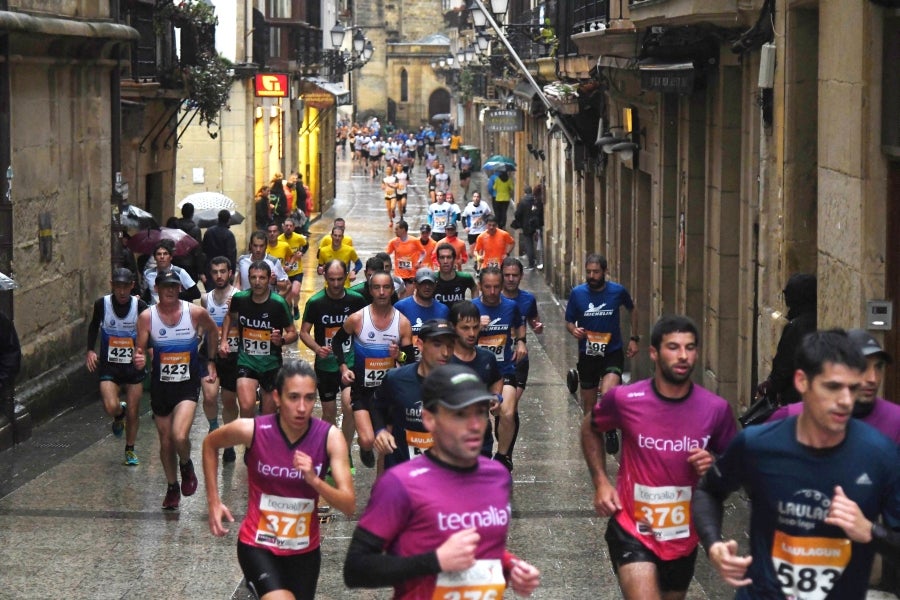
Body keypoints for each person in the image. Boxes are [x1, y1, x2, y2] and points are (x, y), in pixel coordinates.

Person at [692, 329, 900, 600]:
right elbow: (709, 490)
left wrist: (871, 531)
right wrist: (713, 544)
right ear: (802, 381)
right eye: (833, 387)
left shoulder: (880, 454)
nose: (846, 401)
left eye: (852, 388)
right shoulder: (756, 444)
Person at [344, 363, 542, 598]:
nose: (475, 425)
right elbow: (356, 569)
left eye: (480, 412)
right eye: (460, 414)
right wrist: (435, 560)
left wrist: (511, 567)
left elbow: (481, 542)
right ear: (430, 419)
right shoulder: (399, 483)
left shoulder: (497, 477)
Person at [581, 315, 738, 600]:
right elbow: (590, 427)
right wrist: (601, 482)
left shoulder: (715, 409)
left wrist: (716, 467)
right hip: (631, 528)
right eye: (673, 347)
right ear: (653, 353)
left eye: (690, 348)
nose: (683, 356)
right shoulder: (625, 400)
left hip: (682, 538)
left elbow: (737, 468)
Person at [203, 360, 355, 600]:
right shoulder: (252, 429)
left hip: (305, 551)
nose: (302, 407)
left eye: (308, 398)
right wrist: (213, 500)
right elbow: (210, 444)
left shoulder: (329, 437)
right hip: (258, 545)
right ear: (276, 397)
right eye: (293, 397)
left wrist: (315, 481)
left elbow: (349, 504)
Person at [134, 269, 220, 510]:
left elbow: (213, 331)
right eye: (165, 286)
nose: (170, 290)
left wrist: (210, 359)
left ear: (180, 288)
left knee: (179, 436)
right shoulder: (147, 317)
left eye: (174, 286)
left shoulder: (194, 313)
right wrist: (139, 358)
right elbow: (139, 348)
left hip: (187, 386)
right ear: (156, 290)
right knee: (165, 441)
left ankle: (185, 464)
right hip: (162, 388)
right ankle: (172, 487)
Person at [331, 271, 414, 469]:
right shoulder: (357, 319)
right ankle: (364, 447)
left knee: (386, 446)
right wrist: (343, 368)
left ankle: (381, 485)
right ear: (370, 291)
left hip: (389, 392)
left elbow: (410, 359)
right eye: (377, 288)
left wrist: (398, 356)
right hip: (363, 390)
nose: (382, 292)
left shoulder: (402, 323)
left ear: (392, 290)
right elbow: (337, 342)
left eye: (386, 287)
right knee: (368, 440)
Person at [766, 328, 900, 443]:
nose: (873, 378)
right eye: (862, 366)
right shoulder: (789, 417)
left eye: (879, 367)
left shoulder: (895, 420)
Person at [299, 259, 367, 452]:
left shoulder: (356, 300)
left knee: (350, 407)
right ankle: (329, 450)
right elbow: (303, 332)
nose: (336, 284)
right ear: (325, 277)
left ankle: (344, 452)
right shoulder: (315, 302)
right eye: (331, 280)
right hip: (325, 366)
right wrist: (317, 348)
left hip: (350, 363)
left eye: (339, 279)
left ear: (346, 276)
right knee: (329, 413)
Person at [371, 319, 457, 469]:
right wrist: (380, 431)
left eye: (450, 346)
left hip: (444, 474)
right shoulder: (396, 379)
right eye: (437, 345)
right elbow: (377, 406)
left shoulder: (461, 384)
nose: (445, 353)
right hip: (403, 472)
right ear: (420, 345)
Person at [85, 267, 148, 466]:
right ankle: (118, 414)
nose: (121, 292)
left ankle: (129, 449)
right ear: (112, 286)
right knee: (110, 406)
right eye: (117, 287)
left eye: (125, 287)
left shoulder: (140, 306)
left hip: (133, 369)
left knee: (134, 411)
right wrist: (90, 350)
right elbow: (94, 325)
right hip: (109, 367)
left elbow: (149, 332)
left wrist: (144, 353)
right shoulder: (102, 304)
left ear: (132, 286)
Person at [221, 260, 298, 418]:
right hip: (246, 361)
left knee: (268, 415)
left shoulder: (278, 303)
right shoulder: (240, 299)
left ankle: (261, 439)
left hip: (271, 364)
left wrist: (281, 340)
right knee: (247, 406)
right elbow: (230, 316)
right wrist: (224, 340)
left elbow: (293, 333)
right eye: (253, 277)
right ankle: (249, 441)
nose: (257, 282)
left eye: (262, 278)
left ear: (269, 279)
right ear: (248, 279)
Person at [565, 253, 639, 416]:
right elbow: (569, 321)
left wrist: (634, 338)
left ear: (605, 271)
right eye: (589, 272)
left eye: (596, 272)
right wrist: (574, 330)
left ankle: (610, 428)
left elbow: (632, 309)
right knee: (589, 407)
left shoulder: (617, 291)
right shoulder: (577, 293)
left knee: (607, 394)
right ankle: (593, 436)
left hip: (612, 352)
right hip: (588, 354)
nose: (592, 276)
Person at [473, 266, 526, 471]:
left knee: (508, 411)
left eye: (497, 287)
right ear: (480, 286)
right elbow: (458, 337)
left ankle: (503, 456)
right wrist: (476, 326)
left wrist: (522, 342)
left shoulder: (511, 306)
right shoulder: (471, 308)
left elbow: (519, 324)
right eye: (488, 287)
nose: (493, 292)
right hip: (477, 373)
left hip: (504, 369)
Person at [449, 300, 502, 457]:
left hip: (481, 441)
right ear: (453, 328)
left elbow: (496, 379)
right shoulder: (442, 360)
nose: (472, 333)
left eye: (475, 327)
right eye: (465, 328)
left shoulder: (488, 358)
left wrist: (496, 396)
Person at [200, 256, 240, 463]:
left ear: (230, 273)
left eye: (222, 271)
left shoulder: (239, 296)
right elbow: (205, 329)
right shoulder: (206, 299)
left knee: (229, 401)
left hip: (233, 357)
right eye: (215, 272)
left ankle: (230, 440)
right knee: (209, 397)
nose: (219, 276)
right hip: (211, 356)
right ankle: (215, 428)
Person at [757, 272, 817, 406]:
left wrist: (770, 386)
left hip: (795, 399)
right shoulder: (818, 321)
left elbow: (783, 367)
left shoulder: (796, 327)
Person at [500, 258, 543, 433]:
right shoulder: (493, 298)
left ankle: (506, 454)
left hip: (518, 360)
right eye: (507, 275)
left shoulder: (528, 299)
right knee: (500, 410)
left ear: (521, 276)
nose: (511, 279)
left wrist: (537, 326)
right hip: (495, 360)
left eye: (514, 275)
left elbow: (533, 320)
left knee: (510, 408)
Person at [394, 268, 451, 362]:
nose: (427, 287)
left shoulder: (443, 310)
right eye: (423, 283)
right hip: (407, 363)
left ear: (435, 284)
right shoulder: (401, 307)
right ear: (415, 284)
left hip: (434, 365)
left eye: (430, 283)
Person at [142, 239, 201, 304]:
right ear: (155, 258)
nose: (162, 257)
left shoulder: (179, 272)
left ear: (171, 257)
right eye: (159, 254)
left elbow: (196, 294)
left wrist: (173, 295)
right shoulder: (148, 273)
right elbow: (147, 293)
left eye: (165, 254)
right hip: (155, 310)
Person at [277, 216, 309, 320]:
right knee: (287, 296)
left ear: (294, 227)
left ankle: (295, 307)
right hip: (285, 273)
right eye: (286, 226)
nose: (288, 228)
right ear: (283, 227)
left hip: (297, 271)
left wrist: (302, 252)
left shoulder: (299, 238)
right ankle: (290, 308)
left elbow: (306, 245)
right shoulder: (279, 239)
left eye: (290, 226)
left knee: (295, 292)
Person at [433, 243, 478, 310]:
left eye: (449, 257)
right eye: (442, 257)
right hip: (438, 318)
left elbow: (474, 288)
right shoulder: (432, 278)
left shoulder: (465, 277)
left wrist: (474, 307)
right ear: (438, 260)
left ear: (454, 259)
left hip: (458, 318)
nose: (445, 261)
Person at [385, 221, 425, 295]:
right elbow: (386, 255)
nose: (395, 231)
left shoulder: (415, 241)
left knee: (408, 297)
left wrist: (419, 262)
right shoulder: (393, 242)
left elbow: (423, 253)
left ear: (403, 229)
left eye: (397, 229)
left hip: (411, 275)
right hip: (398, 275)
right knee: (396, 297)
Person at [201, 209, 237, 283]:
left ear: (218, 218)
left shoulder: (208, 232)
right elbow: (232, 254)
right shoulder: (229, 235)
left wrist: (202, 270)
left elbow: (203, 251)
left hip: (210, 267)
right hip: (224, 268)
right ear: (229, 220)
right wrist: (232, 271)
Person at [512, 186, 541, 269]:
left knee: (529, 244)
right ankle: (535, 259)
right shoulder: (535, 200)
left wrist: (519, 221)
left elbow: (517, 214)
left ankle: (531, 263)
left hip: (526, 225)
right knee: (535, 243)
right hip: (535, 224)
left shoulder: (523, 202)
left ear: (525, 192)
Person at [462, 191, 492, 260]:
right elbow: (463, 219)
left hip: (482, 231)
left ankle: (480, 264)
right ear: (472, 198)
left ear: (480, 198)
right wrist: (466, 227)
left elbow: (489, 215)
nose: (476, 198)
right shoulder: (468, 207)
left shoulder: (484, 205)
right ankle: (474, 259)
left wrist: (487, 223)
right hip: (472, 231)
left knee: (482, 250)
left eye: (478, 197)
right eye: (474, 197)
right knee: (472, 253)